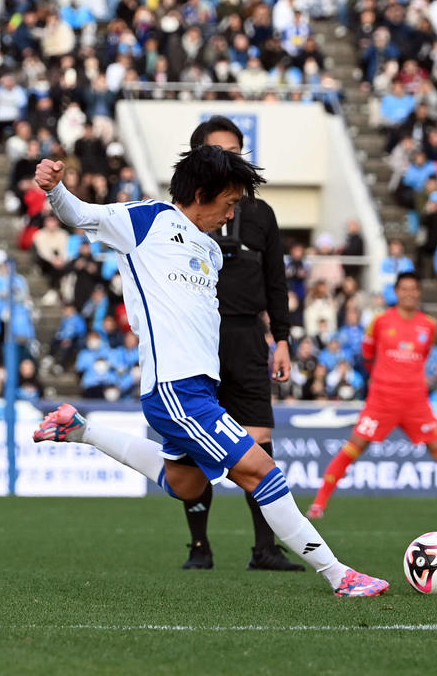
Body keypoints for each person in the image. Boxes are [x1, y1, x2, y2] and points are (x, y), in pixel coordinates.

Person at [32, 147, 388, 597]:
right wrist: (55, 188)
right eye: (230, 202)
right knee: (263, 471)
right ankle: (339, 575)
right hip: (174, 389)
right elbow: (79, 214)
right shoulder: (147, 220)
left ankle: (79, 429)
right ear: (201, 193)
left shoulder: (209, 250)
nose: (231, 213)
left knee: (185, 483)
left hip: (202, 388)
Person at [177, 116, 300, 572]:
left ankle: (265, 549)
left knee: (260, 441)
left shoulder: (262, 214)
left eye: (236, 155)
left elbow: (276, 280)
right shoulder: (179, 218)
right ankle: (199, 548)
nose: (230, 164)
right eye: (220, 155)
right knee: (192, 445)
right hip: (197, 338)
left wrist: (282, 338)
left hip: (248, 336)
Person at [307, 272, 437, 521]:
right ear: (396, 291)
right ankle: (318, 505)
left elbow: (423, 356)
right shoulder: (380, 321)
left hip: (415, 400)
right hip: (382, 398)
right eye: (404, 288)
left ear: (419, 292)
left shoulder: (429, 325)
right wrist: (385, 379)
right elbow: (367, 355)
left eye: (414, 289)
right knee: (355, 445)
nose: (409, 293)